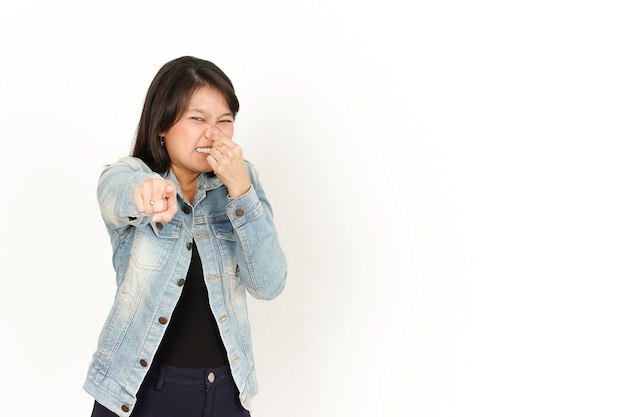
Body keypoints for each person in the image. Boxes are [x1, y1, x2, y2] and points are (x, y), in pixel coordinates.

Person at [83, 56, 287, 417]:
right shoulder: (135, 175)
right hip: (138, 392)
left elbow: (268, 284)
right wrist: (145, 193)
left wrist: (241, 191)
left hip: (225, 391)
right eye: (198, 119)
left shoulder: (242, 182)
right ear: (162, 124)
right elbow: (115, 190)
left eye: (225, 121)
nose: (214, 133)